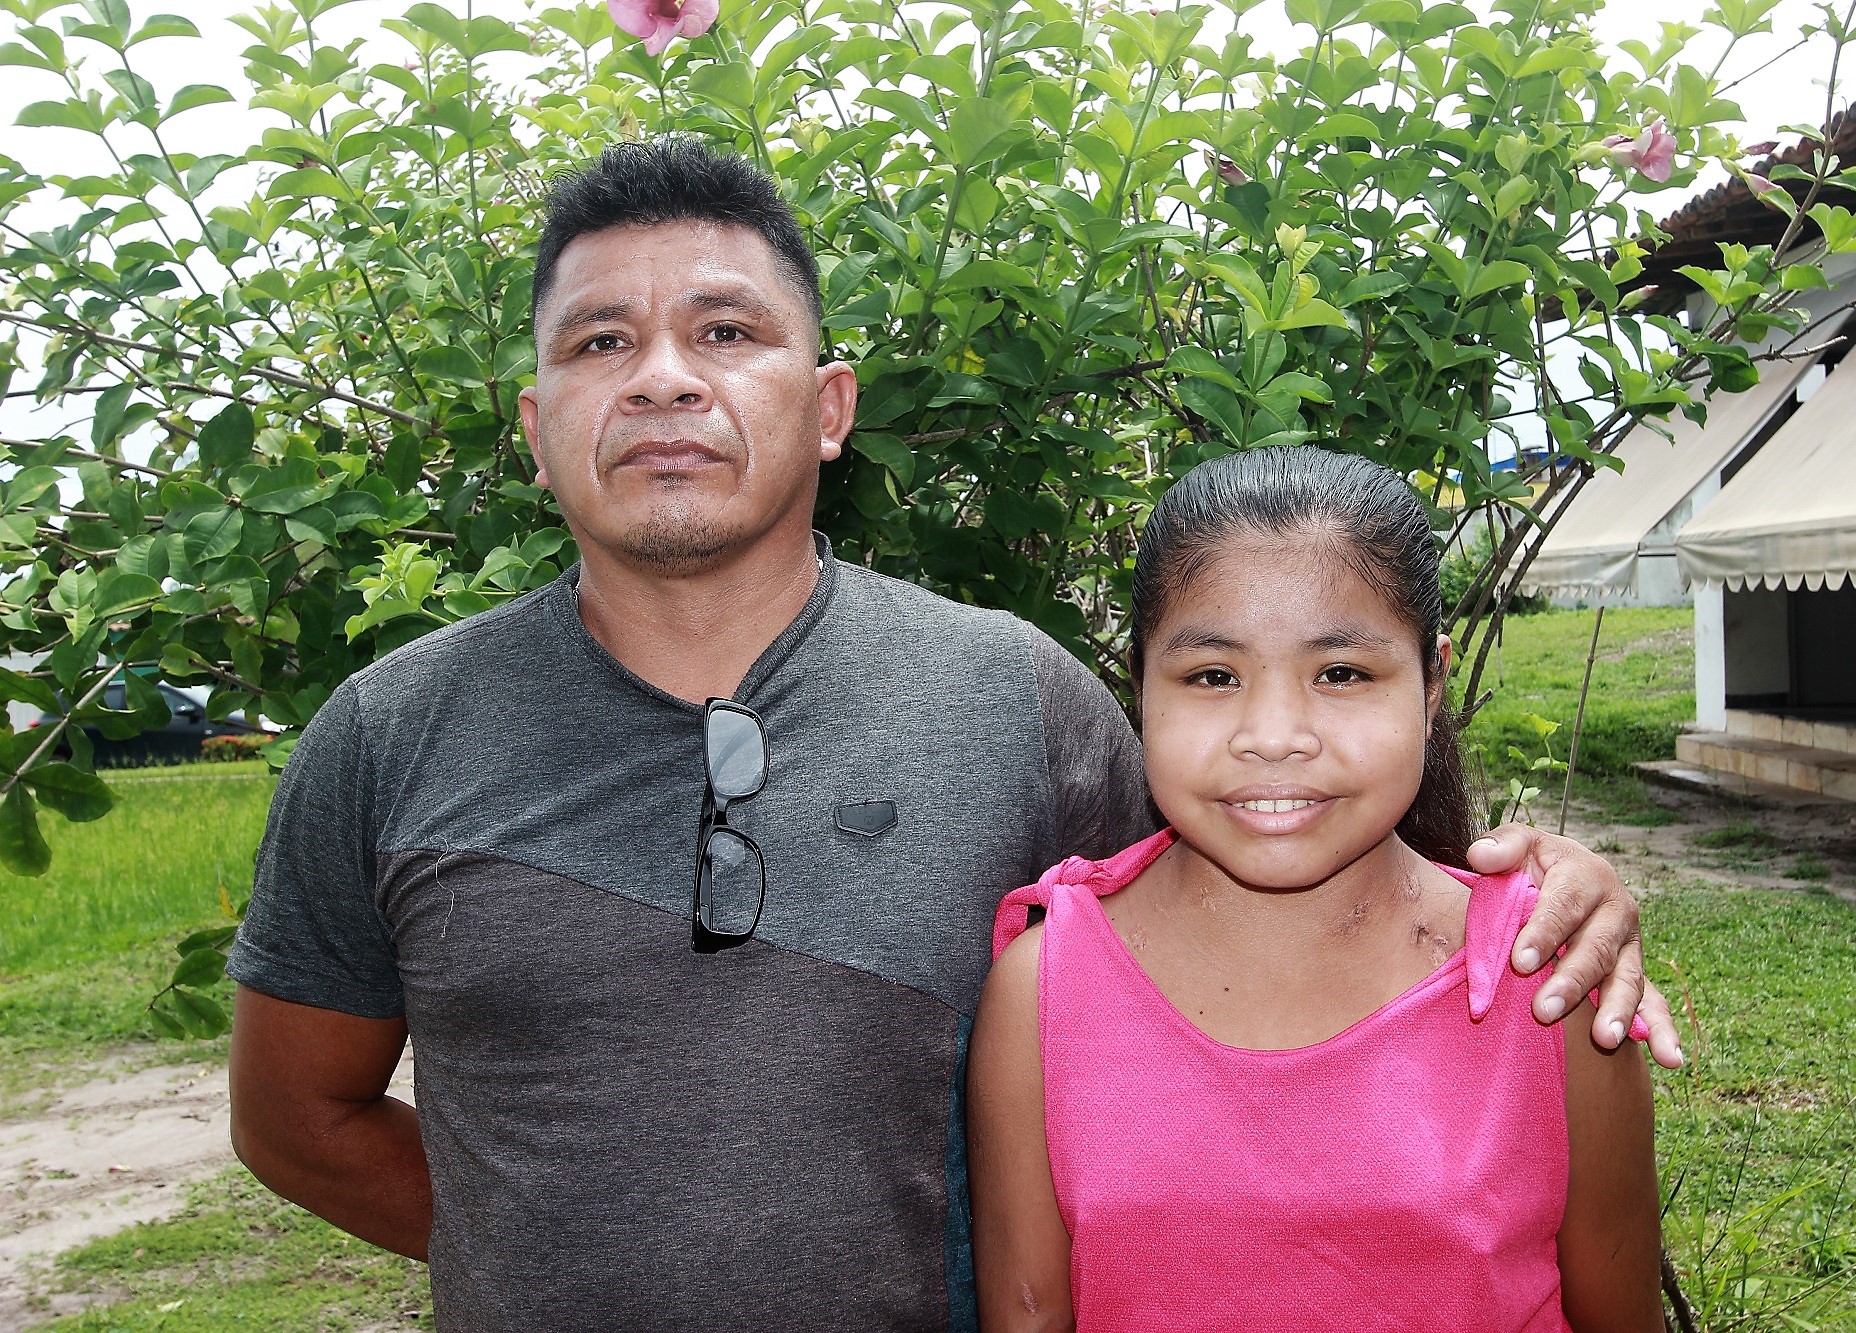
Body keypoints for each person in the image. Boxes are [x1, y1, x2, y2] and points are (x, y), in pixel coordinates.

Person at [224, 136, 1678, 1332]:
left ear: (832, 405)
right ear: (536, 426)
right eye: (603, 342)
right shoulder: (388, 734)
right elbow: (298, 1119)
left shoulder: (1018, 698)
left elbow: (1243, 928)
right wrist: (542, 1254)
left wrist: (1538, 892)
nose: (665, 376)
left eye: (728, 331)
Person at [968, 447, 1664, 1332]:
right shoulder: (1042, 991)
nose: (1274, 734)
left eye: (1342, 674)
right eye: (1213, 676)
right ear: (1140, 685)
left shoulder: (1548, 984)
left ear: (1432, 683)